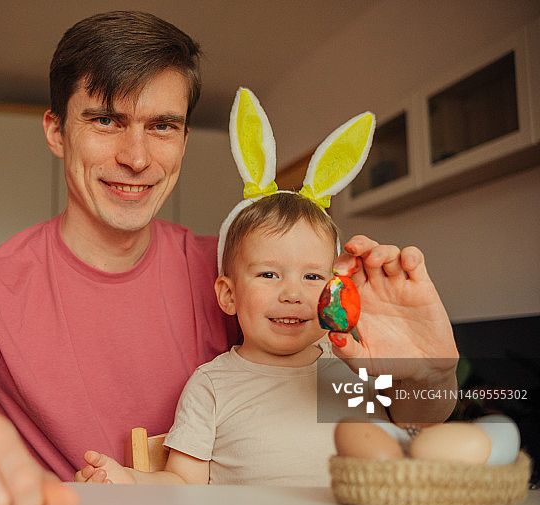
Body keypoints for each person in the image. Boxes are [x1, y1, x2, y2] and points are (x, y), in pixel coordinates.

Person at [0, 12, 458, 505]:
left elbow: (399, 417)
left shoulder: (247, 274)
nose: (138, 157)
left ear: (185, 139)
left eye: (163, 126)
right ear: (56, 130)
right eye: (105, 120)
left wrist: (424, 378)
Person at [75, 192, 455, 485]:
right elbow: (182, 485)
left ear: (337, 290)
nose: (293, 294)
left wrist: (434, 376)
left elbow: (420, 420)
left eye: (311, 277)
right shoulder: (213, 385)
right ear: (228, 294)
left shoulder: (354, 365)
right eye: (269, 275)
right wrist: (128, 480)